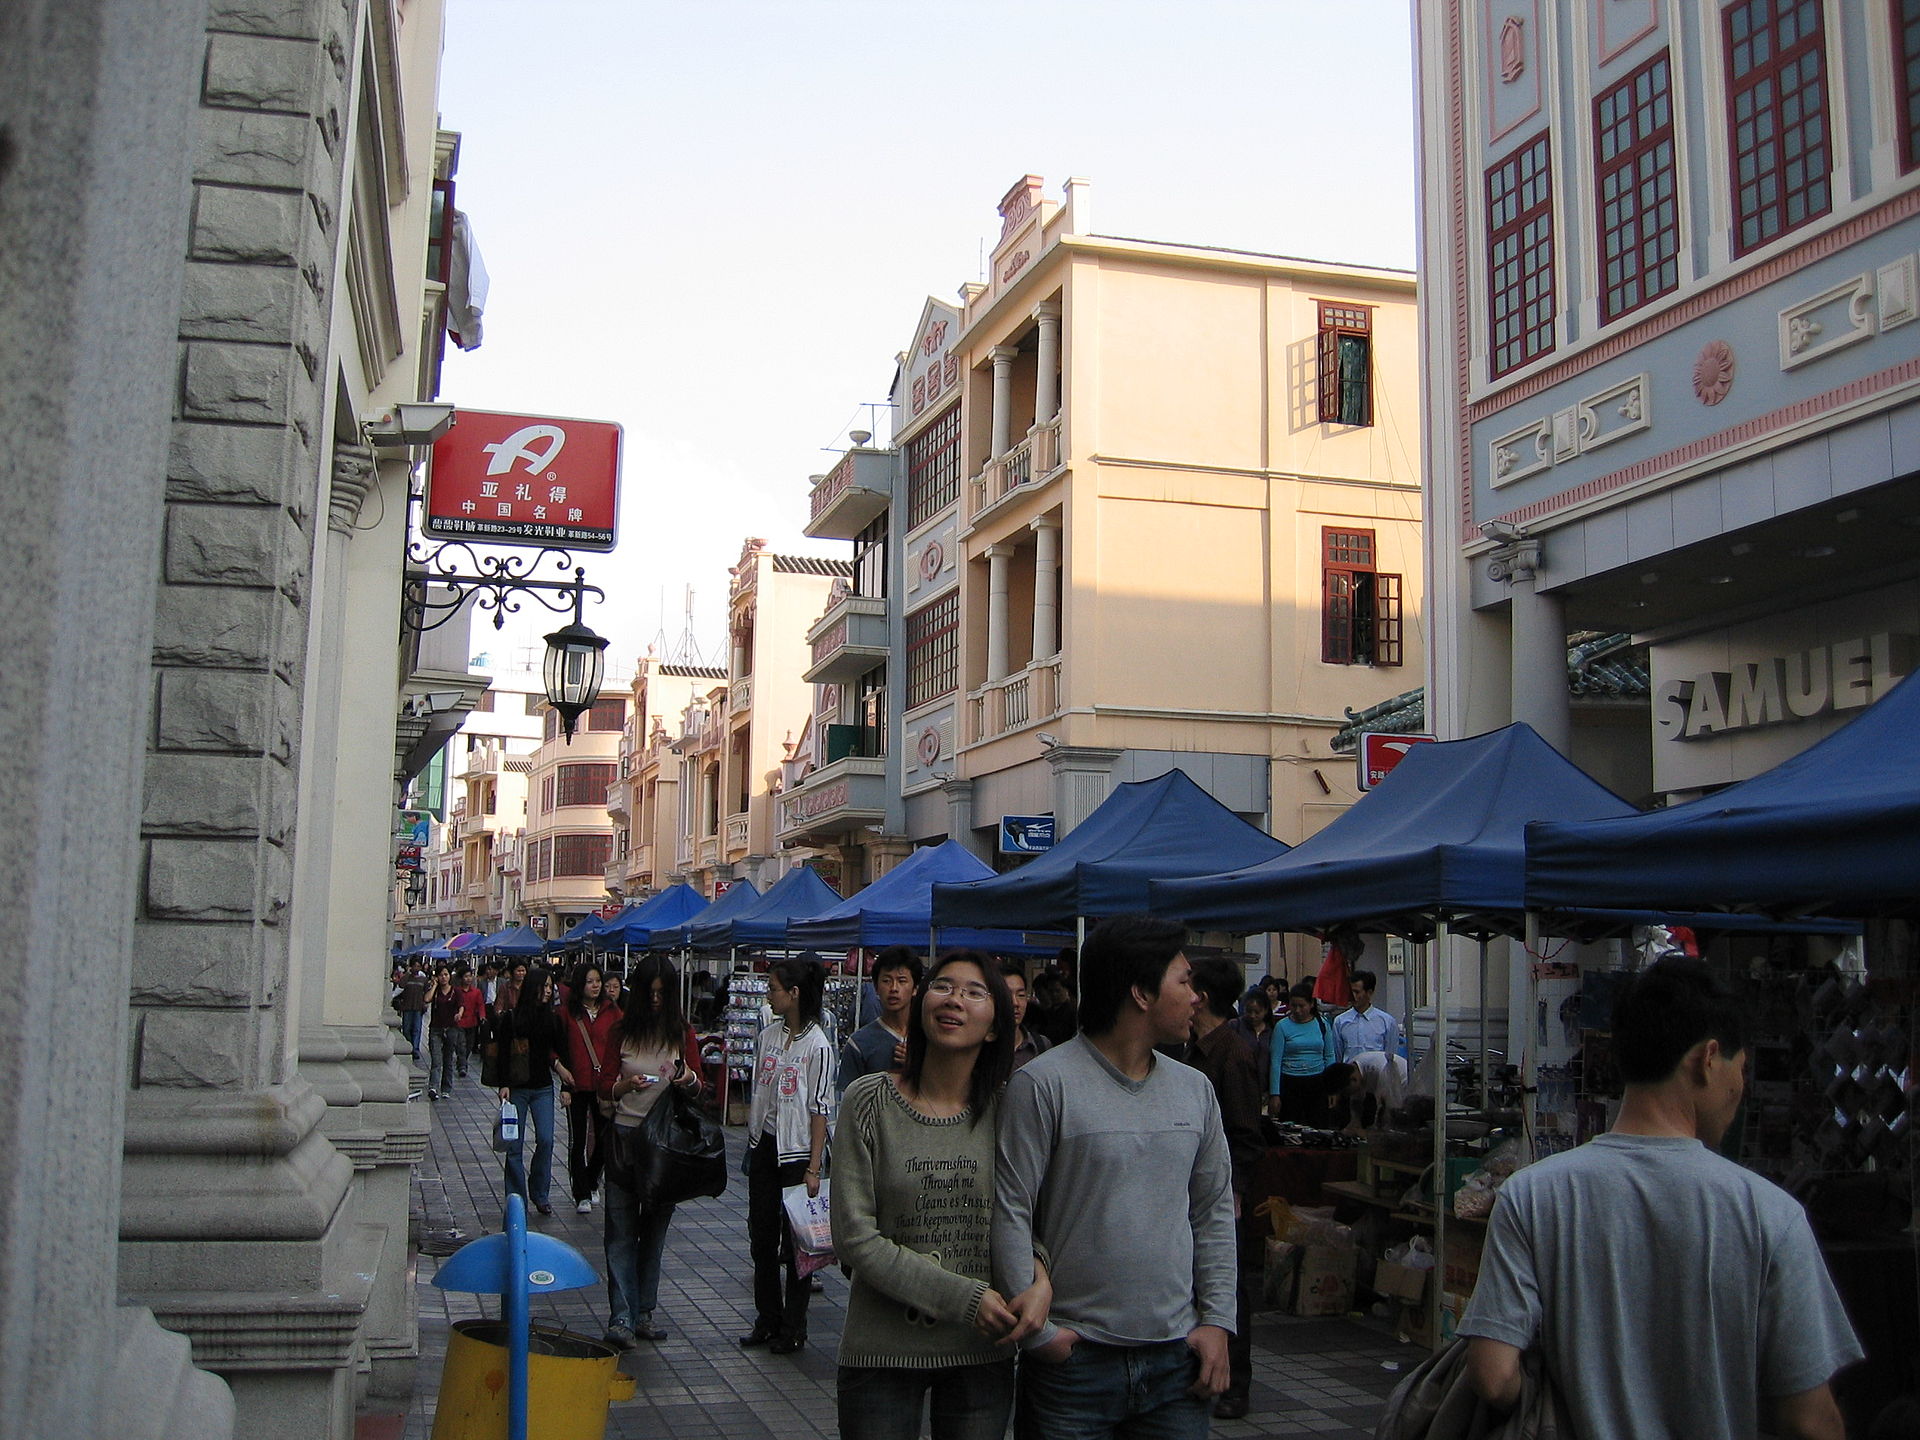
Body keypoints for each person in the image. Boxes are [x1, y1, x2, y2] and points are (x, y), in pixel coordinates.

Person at [1463, 960, 1862, 1438]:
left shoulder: (1530, 1196)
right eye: (1741, 1069)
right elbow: (1808, 1420)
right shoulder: (1770, 1215)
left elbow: (1493, 1375)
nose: (1741, 1089)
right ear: (1708, 1058)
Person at [993, 915, 1235, 1439]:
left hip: (1176, 1366)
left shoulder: (1195, 1091)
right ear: (1141, 993)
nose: (1197, 995)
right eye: (1185, 980)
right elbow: (1010, 1208)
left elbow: (1212, 1211)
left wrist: (1217, 1321)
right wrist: (1042, 1338)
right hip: (1074, 1369)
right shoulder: (1043, 1085)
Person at [830, 951, 1049, 1440]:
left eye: (974, 992)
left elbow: (1024, 1219)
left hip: (982, 1353)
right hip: (882, 1352)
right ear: (921, 1002)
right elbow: (854, 1238)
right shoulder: (868, 1101)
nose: (955, 999)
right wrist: (965, 1298)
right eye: (943, 986)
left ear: (996, 1024)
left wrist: (1040, 1277)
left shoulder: (1009, 1110)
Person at [599, 952, 705, 1348]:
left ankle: (643, 1311)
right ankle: (622, 1317)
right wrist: (622, 1088)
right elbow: (604, 1086)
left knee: (654, 1232)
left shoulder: (682, 1033)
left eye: (664, 993)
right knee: (621, 1232)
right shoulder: (621, 1033)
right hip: (625, 1139)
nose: (657, 1000)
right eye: (651, 993)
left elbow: (700, 1087)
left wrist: (686, 1077)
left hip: (666, 1146)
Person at [1184, 957, 1266, 1421]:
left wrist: (1231, 1190)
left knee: (1228, 1288)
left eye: (1189, 986)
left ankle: (1237, 1384)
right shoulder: (1193, 1049)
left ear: (1204, 997)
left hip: (1223, 1194)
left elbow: (1246, 1135)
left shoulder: (1232, 1054)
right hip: (1193, 1192)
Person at [741, 957, 835, 1355]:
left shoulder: (818, 1044)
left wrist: (815, 1166)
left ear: (794, 993)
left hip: (797, 1154)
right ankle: (767, 1317)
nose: (768, 995)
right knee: (761, 1237)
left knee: (798, 1243)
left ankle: (794, 1326)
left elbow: (820, 1108)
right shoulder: (768, 1036)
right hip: (764, 1145)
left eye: (774, 989)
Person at [484, 966, 572, 1217]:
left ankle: (540, 1192)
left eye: (549, 986)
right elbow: (502, 1053)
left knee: (546, 1139)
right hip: (517, 1088)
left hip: (543, 1087)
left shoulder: (552, 1019)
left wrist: (566, 1085)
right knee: (514, 1144)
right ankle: (516, 1196)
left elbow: (561, 1052)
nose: (547, 991)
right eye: (543, 986)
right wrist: (503, 1084)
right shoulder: (513, 1018)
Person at [560, 964, 621, 1215]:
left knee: (606, 1139)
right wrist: (562, 1075)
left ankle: (591, 1177)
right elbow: (558, 1047)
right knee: (577, 1141)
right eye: (590, 981)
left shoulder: (613, 1012)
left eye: (598, 981)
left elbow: (622, 1045)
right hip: (576, 1084)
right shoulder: (566, 1014)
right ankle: (581, 1193)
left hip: (604, 1086)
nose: (596, 986)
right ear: (579, 985)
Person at [838, 946, 922, 1095]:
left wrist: (919, 1065)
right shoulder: (859, 1043)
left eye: (902, 981)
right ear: (876, 987)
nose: (894, 988)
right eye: (886, 981)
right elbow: (847, 1100)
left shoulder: (931, 1038)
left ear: (915, 988)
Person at [1331, 968, 1404, 1113]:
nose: (1353, 996)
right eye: (1351, 991)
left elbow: (1390, 1056)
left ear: (1369, 993)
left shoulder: (1386, 1022)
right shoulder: (1341, 1021)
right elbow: (1338, 1054)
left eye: (1357, 992)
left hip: (1375, 1085)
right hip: (1350, 1084)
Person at [1268, 983, 1341, 1125]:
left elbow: (1329, 1055)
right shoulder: (1282, 1026)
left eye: (1302, 1006)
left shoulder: (1322, 1024)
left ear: (1311, 1004)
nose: (1297, 1010)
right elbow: (1275, 1061)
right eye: (1294, 1006)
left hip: (1317, 1082)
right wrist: (1275, 1094)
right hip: (1290, 1082)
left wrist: (1332, 1088)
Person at [999, 963, 1052, 1071]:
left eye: (1021, 995)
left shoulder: (1041, 1045)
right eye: (1006, 995)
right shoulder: (977, 1046)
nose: (1015, 1003)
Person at [424, 964, 459, 1099]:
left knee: (448, 1059)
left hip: (451, 1028)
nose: (444, 977)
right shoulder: (436, 991)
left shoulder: (455, 992)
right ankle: (433, 1087)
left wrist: (459, 1014)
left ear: (450, 976)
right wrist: (434, 985)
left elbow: (461, 1006)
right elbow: (427, 999)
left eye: (446, 974)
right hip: (436, 1028)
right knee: (436, 1059)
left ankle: (446, 1088)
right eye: (441, 975)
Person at [1229, 984, 1273, 1086]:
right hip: (1239, 1084)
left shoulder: (1270, 1031)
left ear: (1265, 1010)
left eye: (1257, 1012)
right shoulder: (1235, 1025)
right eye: (1249, 1011)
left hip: (1263, 1086)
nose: (1253, 1016)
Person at [1028, 968, 1077, 1047]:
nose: (1054, 994)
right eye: (1051, 991)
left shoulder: (1073, 1013)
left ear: (1065, 990)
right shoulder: (1045, 1013)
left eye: (1058, 991)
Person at [452, 966, 486, 1079]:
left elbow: (480, 1005)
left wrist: (482, 1016)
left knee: (469, 1046)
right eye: (466, 976)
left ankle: (462, 1062)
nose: (468, 979)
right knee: (461, 1045)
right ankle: (462, 1067)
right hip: (459, 1022)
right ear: (461, 978)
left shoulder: (476, 992)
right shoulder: (456, 991)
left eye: (470, 976)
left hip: (472, 1022)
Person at [395, 962, 429, 1064]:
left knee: (417, 1029)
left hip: (418, 1007)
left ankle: (415, 1049)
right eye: (414, 966)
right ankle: (408, 1046)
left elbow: (426, 993)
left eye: (418, 966)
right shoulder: (406, 978)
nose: (416, 968)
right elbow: (400, 988)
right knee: (406, 1028)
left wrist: (424, 1004)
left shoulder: (423, 980)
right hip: (407, 1007)